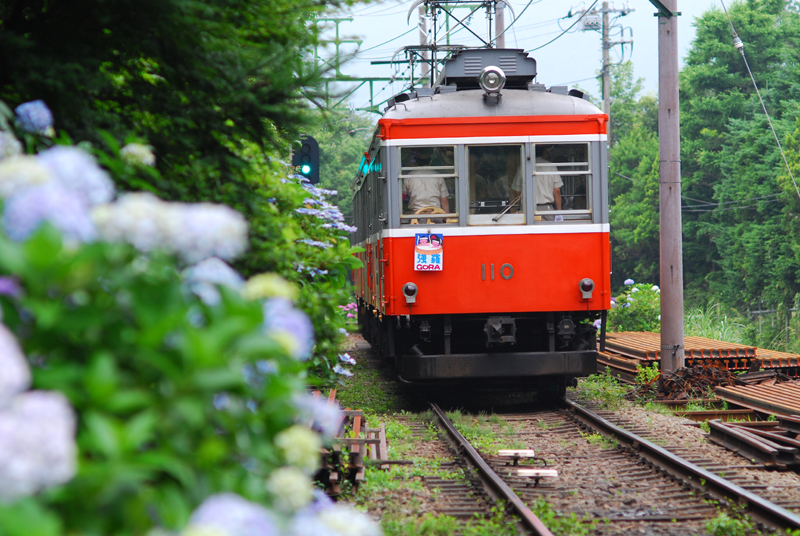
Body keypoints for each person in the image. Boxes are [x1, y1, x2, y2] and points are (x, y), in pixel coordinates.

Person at [402, 149, 450, 215]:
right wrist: (447, 218)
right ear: (430, 160)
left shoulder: (409, 177)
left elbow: (402, 197)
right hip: (435, 215)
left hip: (416, 216)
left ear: (416, 161)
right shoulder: (438, 176)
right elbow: (444, 201)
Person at [533, 147, 563, 222]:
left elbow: (517, 191)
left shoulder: (522, 167)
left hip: (528, 209)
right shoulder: (551, 166)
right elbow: (556, 191)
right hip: (547, 209)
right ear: (543, 152)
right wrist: (559, 212)